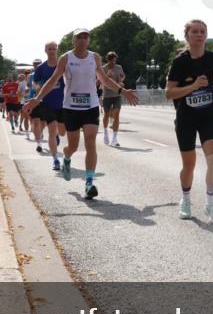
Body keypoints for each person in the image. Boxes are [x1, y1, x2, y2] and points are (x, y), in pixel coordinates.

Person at [24, 29, 138, 199]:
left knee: (91, 142)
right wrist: (37, 99)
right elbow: (53, 80)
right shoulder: (66, 58)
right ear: (74, 40)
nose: (83, 40)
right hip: (71, 107)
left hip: (90, 105)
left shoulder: (95, 57)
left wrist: (123, 91)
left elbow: (105, 80)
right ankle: (67, 157)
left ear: (89, 40)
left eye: (86, 37)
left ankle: (89, 182)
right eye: (79, 37)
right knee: (73, 146)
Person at [166, 19, 213, 221]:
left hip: (208, 116)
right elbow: (169, 93)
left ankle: (210, 203)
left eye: (203, 31)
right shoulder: (180, 62)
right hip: (186, 119)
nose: (199, 34)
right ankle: (185, 199)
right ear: (187, 36)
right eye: (195, 32)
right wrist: (192, 87)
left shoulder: (212, 58)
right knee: (189, 165)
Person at [28, 44, 66, 164]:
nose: (51, 51)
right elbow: (34, 82)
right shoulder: (41, 68)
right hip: (48, 102)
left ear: (57, 50)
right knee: (51, 130)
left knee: (62, 131)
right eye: (49, 49)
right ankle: (55, 159)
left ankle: (56, 136)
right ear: (45, 50)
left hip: (64, 102)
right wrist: (38, 88)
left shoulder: (64, 64)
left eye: (54, 49)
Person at [101, 52, 126, 147]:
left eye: (115, 60)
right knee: (107, 115)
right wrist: (107, 75)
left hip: (117, 94)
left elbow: (122, 77)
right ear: (108, 60)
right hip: (107, 95)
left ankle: (115, 138)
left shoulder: (119, 67)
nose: (113, 62)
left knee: (116, 115)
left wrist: (121, 79)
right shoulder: (104, 68)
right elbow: (102, 80)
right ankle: (105, 133)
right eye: (111, 60)